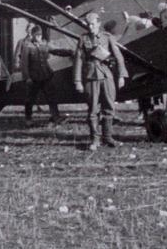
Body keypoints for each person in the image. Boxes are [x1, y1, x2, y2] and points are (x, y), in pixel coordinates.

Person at [74, 12, 128, 150]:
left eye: (92, 24)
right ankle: (95, 140)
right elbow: (78, 60)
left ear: (98, 24)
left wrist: (121, 75)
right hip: (91, 77)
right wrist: (78, 81)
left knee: (109, 107)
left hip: (106, 76)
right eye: (88, 24)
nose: (90, 26)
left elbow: (118, 56)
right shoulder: (83, 39)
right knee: (92, 109)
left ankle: (108, 138)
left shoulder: (107, 37)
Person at [21, 25, 70, 126]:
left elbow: (56, 51)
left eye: (40, 35)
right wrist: (27, 78)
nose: (39, 37)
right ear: (33, 35)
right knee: (30, 99)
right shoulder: (27, 46)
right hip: (34, 78)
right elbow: (24, 64)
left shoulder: (44, 44)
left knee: (52, 97)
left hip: (46, 76)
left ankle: (56, 117)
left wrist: (70, 52)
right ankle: (28, 118)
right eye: (37, 35)